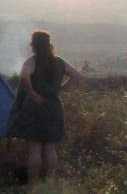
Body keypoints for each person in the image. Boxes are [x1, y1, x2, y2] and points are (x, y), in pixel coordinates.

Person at [6, 30, 84, 185]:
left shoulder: (32, 61)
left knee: (34, 150)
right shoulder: (59, 62)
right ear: (49, 45)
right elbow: (78, 75)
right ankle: (49, 184)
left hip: (35, 107)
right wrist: (60, 88)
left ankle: (32, 185)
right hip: (54, 108)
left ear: (34, 46)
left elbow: (23, 77)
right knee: (50, 149)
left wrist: (32, 94)